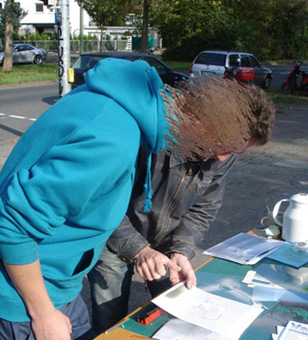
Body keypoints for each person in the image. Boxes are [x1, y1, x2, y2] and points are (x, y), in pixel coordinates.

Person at [0, 58, 175, 340]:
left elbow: (91, 202)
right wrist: (43, 314)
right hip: (27, 299)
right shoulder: (112, 140)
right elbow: (13, 226)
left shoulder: (108, 101)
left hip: (60, 286)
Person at [88, 77, 276, 334]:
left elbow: (204, 209)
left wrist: (181, 250)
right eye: (226, 143)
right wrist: (139, 250)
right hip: (112, 236)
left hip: (166, 241)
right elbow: (101, 202)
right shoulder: (150, 135)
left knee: (177, 317)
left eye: (236, 151)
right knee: (111, 324)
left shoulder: (223, 154)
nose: (223, 157)